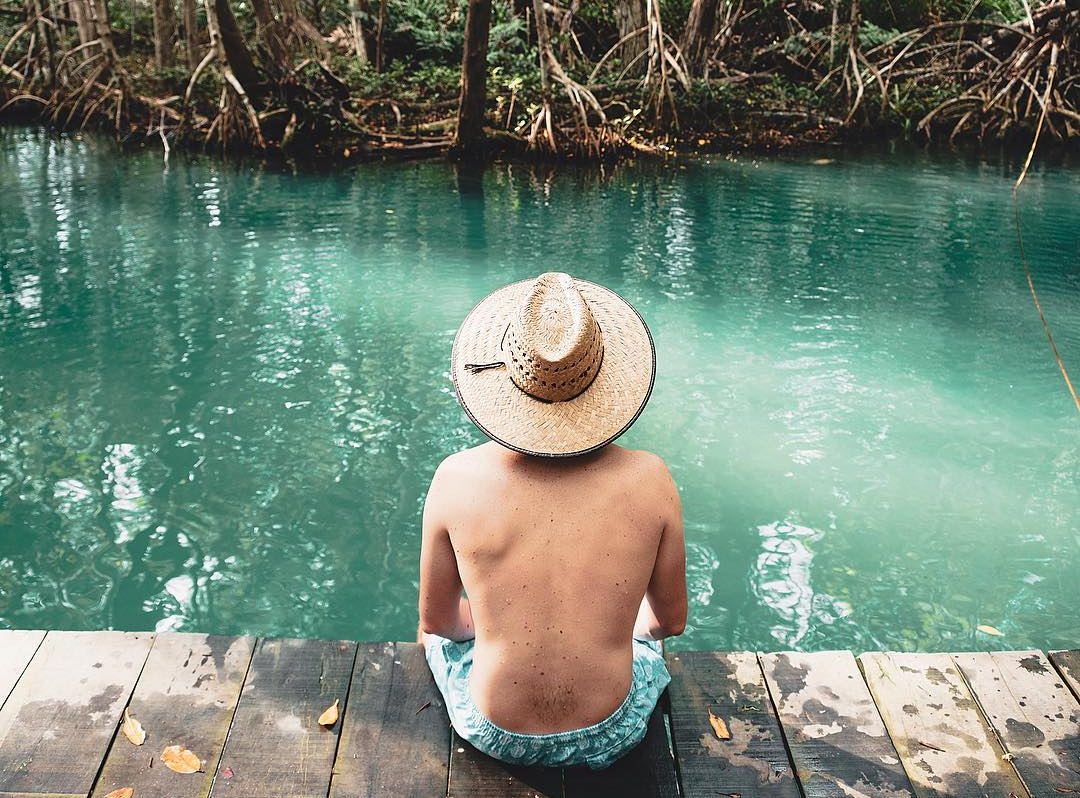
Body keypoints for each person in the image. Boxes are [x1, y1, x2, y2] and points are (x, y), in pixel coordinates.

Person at [418, 271, 687, 770]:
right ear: (607, 380)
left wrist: (501, 626)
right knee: (643, 645)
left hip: (494, 730)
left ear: (504, 380)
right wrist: (611, 628)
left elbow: (437, 620)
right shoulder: (651, 479)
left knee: (430, 638)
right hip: (614, 729)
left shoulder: (455, 478)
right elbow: (668, 621)